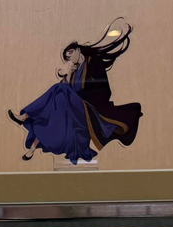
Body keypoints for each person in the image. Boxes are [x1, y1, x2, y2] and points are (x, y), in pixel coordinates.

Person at [9, 20, 141, 164]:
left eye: (71, 54)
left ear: (78, 50)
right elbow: (66, 89)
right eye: (67, 57)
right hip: (74, 104)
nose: (70, 58)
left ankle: (26, 116)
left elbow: (102, 89)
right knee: (49, 115)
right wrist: (69, 74)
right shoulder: (75, 69)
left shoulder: (94, 62)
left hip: (89, 105)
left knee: (57, 88)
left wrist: (79, 93)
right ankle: (32, 149)